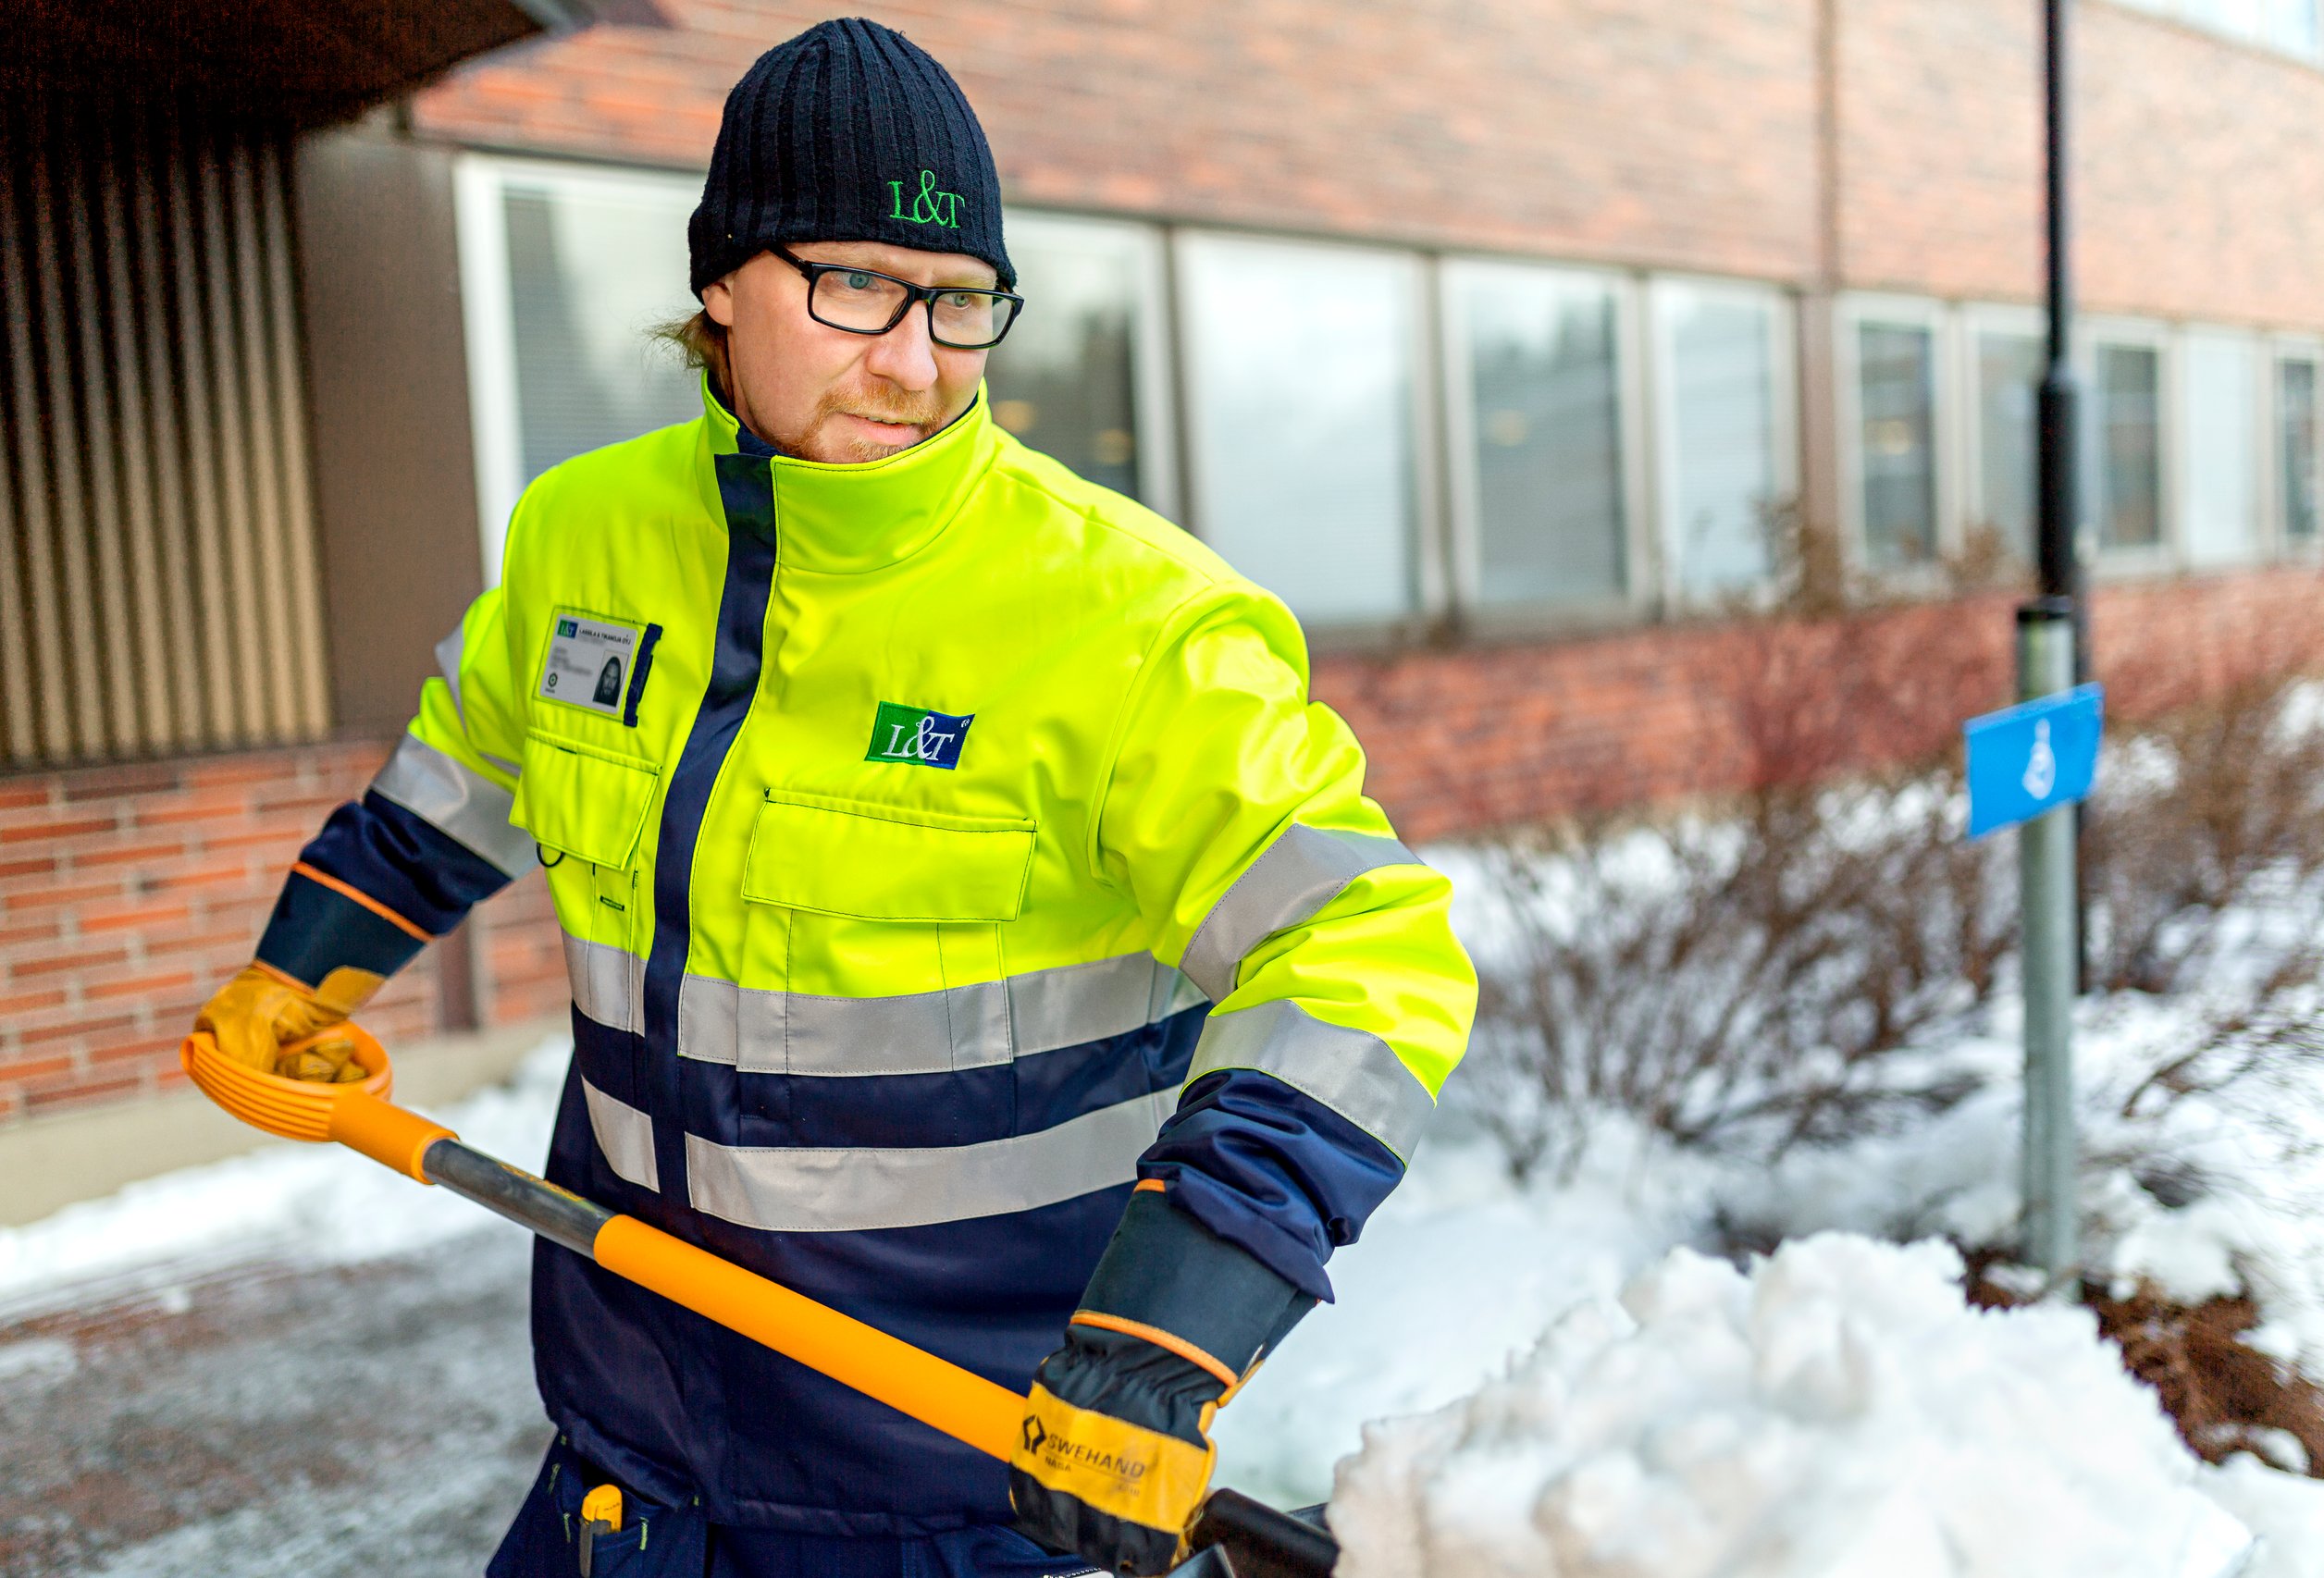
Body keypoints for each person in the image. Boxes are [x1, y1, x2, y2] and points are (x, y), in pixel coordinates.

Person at [193, 17, 1474, 1577]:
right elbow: (460, 773)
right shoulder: (585, 539)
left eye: (958, 302)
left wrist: (1170, 1328)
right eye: (857, 284)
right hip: (632, 1453)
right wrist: (294, 972)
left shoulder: (1129, 626)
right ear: (721, 283)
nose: (918, 361)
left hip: (967, 1478)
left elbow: (1367, 950)